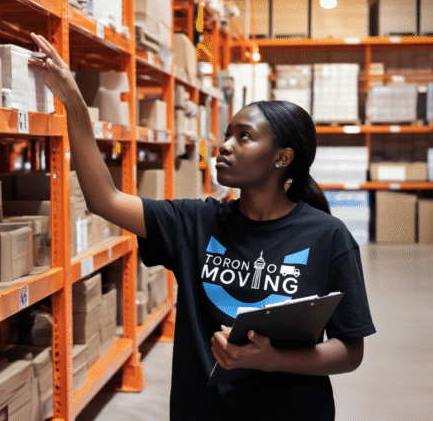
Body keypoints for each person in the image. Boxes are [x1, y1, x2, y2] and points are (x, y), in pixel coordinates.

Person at [30, 33, 375, 420]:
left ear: (283, 158)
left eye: (244, 137)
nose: (224, 145)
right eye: (227, 134)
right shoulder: (196, 222)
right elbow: (105, 199)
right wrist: (74, 104)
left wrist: (271, 359)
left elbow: (350, 351)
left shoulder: (328, 236)